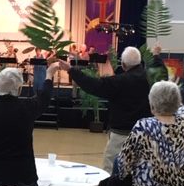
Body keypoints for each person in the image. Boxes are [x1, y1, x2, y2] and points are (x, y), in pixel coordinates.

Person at [59, 42, 166, 172]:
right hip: (145, 135)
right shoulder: (150, 80)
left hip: (121, 136)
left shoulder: (119, 81)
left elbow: (93, 85)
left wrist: (71, 70)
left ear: (123, 64)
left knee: (111, 170)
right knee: (140, 171)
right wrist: (156, 55)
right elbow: (161, 72)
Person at [0, 62, 59, 186]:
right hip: (24, 178)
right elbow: (44, 98)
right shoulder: (27, 108)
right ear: (19, 89)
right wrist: (49, 75)